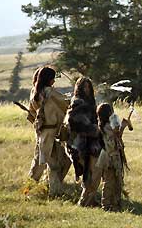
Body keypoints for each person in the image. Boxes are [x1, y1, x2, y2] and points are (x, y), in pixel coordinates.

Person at [27, 66, 71, 196]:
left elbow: (31, 114)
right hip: (52, 133)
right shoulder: (50, 92)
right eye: (53, 78)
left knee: (38, 161)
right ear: (49, 79)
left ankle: (30, 187)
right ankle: (52, 191)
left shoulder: (34, 91)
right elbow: (66, 104)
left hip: (40, 132)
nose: (54, 81)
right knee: (54, 162)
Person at [65, 77, 102, 207]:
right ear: (79, 88)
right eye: (84, 87)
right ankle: (84, 201)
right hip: (79, 144)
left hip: (91, 143)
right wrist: (93, 129)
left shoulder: (90, 102)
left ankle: (89, 199)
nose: (86, 89)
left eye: (88, 87)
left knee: (93, 172)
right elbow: (73, 122)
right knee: (90, 172)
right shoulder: (77, 102)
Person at [95, 103, 132, 211]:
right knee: (110, 181)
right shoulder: (106, 126)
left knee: (114, 181)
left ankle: (114, 204)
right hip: (110, 156)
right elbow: (117, 135)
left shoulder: (104, 125)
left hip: (112, 154)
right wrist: (124, 126)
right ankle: (107, 204)